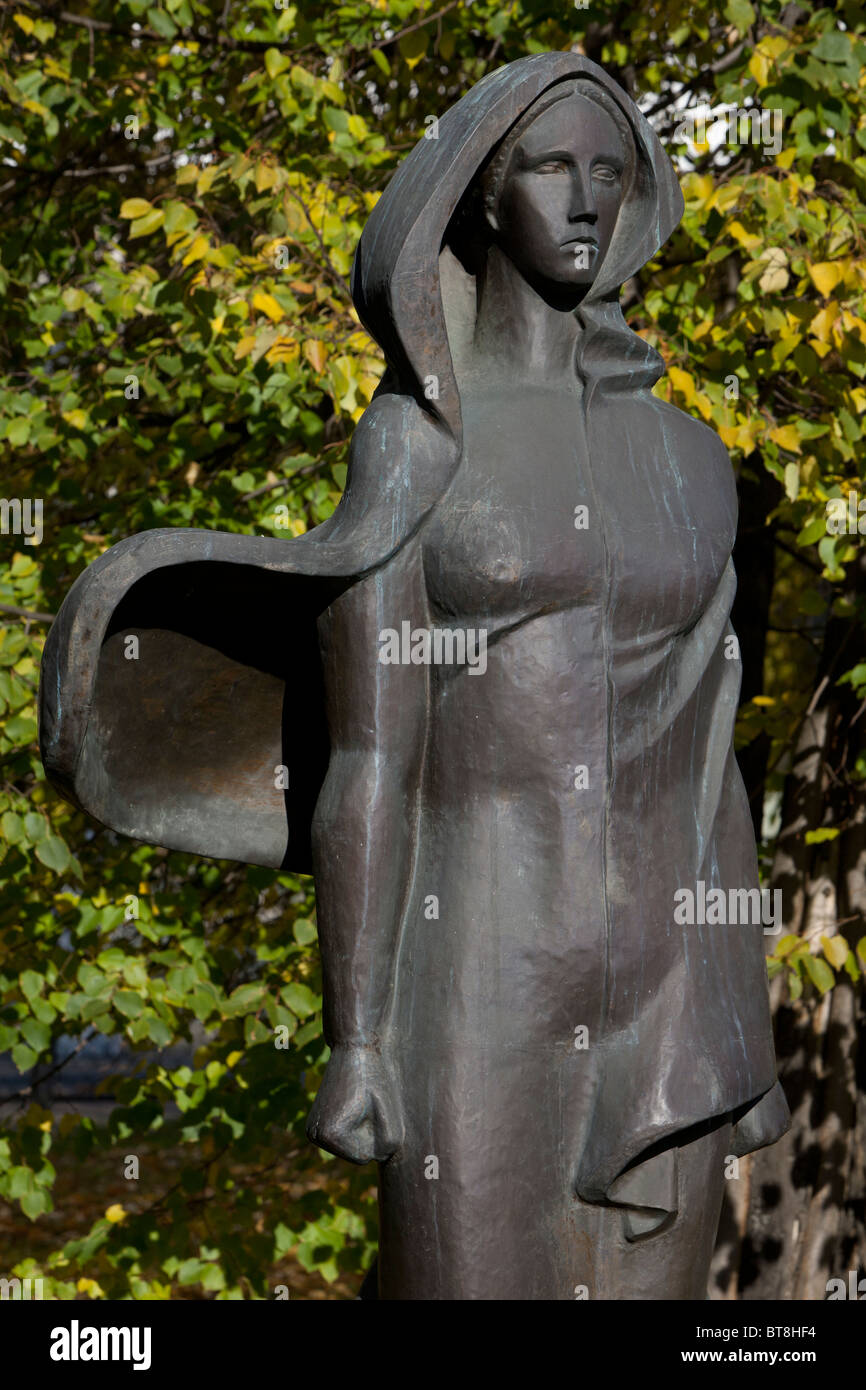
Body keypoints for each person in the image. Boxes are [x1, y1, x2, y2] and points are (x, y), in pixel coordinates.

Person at [39, 52, 789, 1300]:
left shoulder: (692, 462)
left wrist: (742, 1017)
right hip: (478, 961)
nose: (587, 201)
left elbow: (712, 755)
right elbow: (372, 758)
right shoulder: (415, 443)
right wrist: (359, 1036)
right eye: (553, 169)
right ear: (486, 197)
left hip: (669, 984)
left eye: (611, 174)